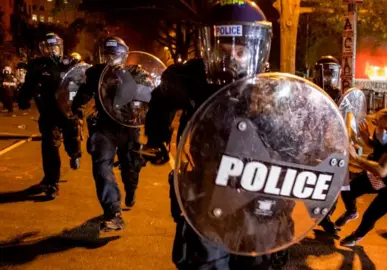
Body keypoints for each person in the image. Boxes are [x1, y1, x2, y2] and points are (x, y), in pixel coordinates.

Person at [143, 1, 289, 269]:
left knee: (259, 261)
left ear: (256, 48)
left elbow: (292, 142)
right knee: (205, 262)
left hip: (259, 194)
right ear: (210, 46)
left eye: (241, 50)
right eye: (224, 49)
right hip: (205, 191)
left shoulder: (275, 89)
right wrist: (156, 140)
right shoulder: (190, 77)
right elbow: (160, 103)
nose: (232, 56)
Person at [72, 37, 145, 231]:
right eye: (108, 55)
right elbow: (84, 93)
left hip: (129, 127)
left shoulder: (135, 72)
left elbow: (149, 95)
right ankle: (114, 212)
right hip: (105, 127)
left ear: (124, 55)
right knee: (101, 167)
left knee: (131, 168)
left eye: (116, 55)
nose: (112, 58)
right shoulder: (96, 73)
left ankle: (131, 190)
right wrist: (76, 106)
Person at [17, 32, 82, 199]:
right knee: (50, 146)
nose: (52, 50)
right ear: (43, 49)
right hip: (48, 112)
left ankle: (74, 154)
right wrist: (23, 99)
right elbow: (28, 85)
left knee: (72, 139)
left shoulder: (69, 63)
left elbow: (80, 82)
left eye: (55, 46)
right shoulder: (37, 66)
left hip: (67, 111)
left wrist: (79, 104)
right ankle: (52, 182)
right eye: (48, 47)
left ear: (60, 47)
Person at [339, 105, 387, 246]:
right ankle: (351, 212)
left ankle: (357, 236)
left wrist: (356, 158)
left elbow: (382, 170)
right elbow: (379, 146)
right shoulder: (386, 137)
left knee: (370, 215)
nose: (382, 132)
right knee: (347, 190)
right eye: (379, 127)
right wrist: (367, 139)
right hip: (378, 178)